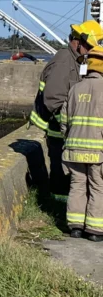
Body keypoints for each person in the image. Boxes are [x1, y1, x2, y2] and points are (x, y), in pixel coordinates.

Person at [30, 20, 103, 200]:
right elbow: (54, 100)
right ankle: (60, 211)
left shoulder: (76, 62)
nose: (91, 51)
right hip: (58, 132)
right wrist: (70, 124)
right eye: (90, 47)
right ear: (79, 42)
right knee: (62, 176)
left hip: (69, 133)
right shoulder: (64, 61)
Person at [61, 45, 103, 242]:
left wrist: (68, 140)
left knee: (77, 185)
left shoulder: (75, 89)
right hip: (98, 150)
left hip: (74, 150)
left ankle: (75, 227)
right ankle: (95, 230)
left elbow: (64, 121)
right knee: (98, 187)